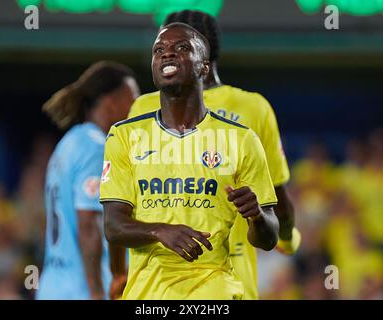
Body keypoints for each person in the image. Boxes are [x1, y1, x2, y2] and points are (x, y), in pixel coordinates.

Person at [128, 10, 300, 299]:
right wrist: (288, 238)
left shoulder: (142, 110)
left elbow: (121, 210)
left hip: (153, 286)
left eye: (179, 46)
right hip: (228, 277)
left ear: (201, 54)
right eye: (161, 47)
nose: (168, 53)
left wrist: (119, 273)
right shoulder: (253, 108)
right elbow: (277, 201)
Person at [37, 61, 140, 300]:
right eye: (133, 99)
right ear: (111, 101)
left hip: (53, 285)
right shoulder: (96, 147)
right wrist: (96, 292)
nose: (137, 107)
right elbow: (88, 224)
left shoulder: (68, 143)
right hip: (82, 289)